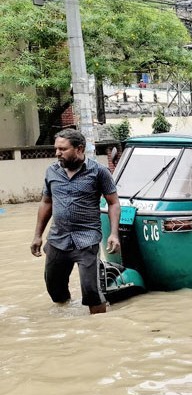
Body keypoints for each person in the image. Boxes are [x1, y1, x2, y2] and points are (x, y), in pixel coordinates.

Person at [31, 129, 121, 315]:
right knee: (55, 290)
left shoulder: (99, 172)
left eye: (63, 149)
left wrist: (113, 233)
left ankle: (99, 329)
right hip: (57, 239)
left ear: (79, 149)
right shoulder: (52, 171)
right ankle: (66, 321)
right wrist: (37, 235)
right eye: (56, 149)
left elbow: (113, 203)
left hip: (86, 240)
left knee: (91, 291)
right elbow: (46, 202)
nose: (57, 153)